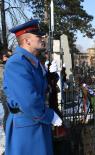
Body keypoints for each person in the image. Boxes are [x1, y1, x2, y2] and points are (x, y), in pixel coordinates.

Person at [3, 19, 62, 155]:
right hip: (26, 128)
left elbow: (40, 86)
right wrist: (50, 116)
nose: (43, 38)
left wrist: (51, 76)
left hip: (36, 123)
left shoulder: (32, 61)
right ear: (27, 41)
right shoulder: (17, 63)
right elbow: (28, 101)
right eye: (38, 36)